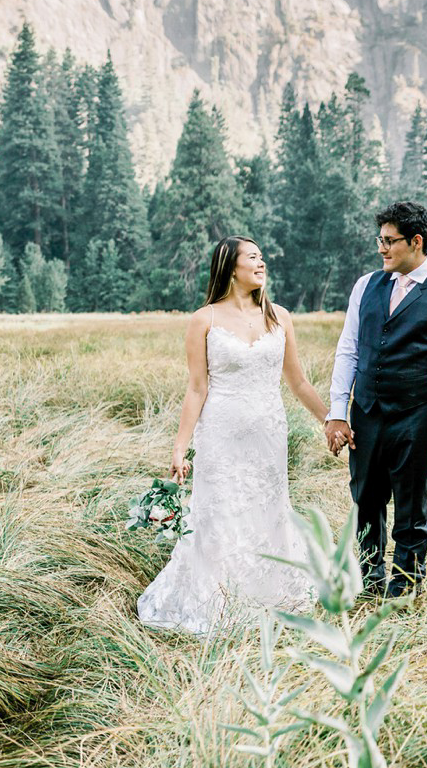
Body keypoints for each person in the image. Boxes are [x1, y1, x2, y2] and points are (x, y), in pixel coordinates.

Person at [137, 236, 333, 637]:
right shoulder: (204, 320)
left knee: (268, 508)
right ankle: (216, 598)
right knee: (219, 512)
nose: (262, 263)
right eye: (253, 258)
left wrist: (332, 421)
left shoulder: (279, 317)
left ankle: (270, 593)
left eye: (263, 257)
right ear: (230, 267)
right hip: (220, 434)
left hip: (268, 434)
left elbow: (297, 382)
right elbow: (196, 388)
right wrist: (180, 447)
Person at [323, 199, 427, 597]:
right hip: (367, 413)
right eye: (381, 239)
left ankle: (405, 587)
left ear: (416, 241)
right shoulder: (365, 286)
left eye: (390, 241)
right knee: (365, 500)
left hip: (419, 415)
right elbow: (348, 351)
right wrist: (337, 413)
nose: (382, 248)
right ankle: (368, 579)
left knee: (411, 507)